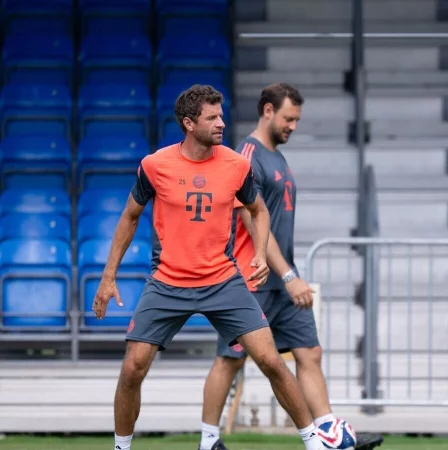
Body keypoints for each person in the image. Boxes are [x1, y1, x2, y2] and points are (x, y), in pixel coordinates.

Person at [91, 84, 327, 450]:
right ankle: (121, 447)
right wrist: (108, 279)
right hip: (167, 281)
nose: (221, 122)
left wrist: (260, 254)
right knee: (132, 367)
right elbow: (129, 217)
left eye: (221, 115)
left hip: (223, 280)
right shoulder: (154, 166)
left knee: (270, 360)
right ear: (188, 123)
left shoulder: (236, 165)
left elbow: (258, 210)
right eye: (212, 117)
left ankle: (315, 442)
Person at [199, 83, 383, 450]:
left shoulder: (276, 157)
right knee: (229, 360)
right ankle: (209, 441)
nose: (293, 126)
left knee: (309, 352)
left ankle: (330, 434)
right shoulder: (248, 155)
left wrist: (287, 276)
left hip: (281, 281)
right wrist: (289, 275)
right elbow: (252, 223)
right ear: (267, 110)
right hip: (252, 279)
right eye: (288, 118)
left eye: (297, 120)